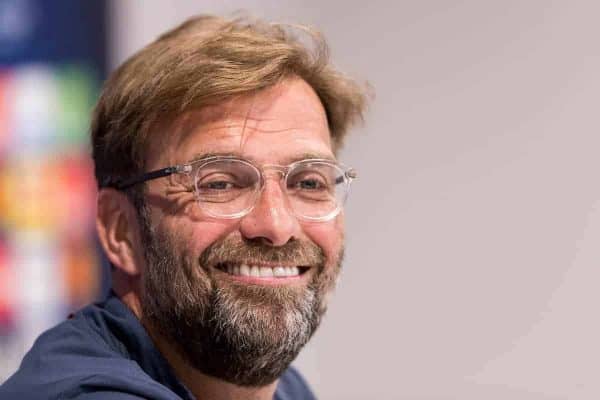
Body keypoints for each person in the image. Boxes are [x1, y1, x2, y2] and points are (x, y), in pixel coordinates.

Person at [0, 14, 368, 400]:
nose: (277, 225)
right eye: (220, 183)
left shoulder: (284, 389)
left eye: (309, 182)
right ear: (120, 230)